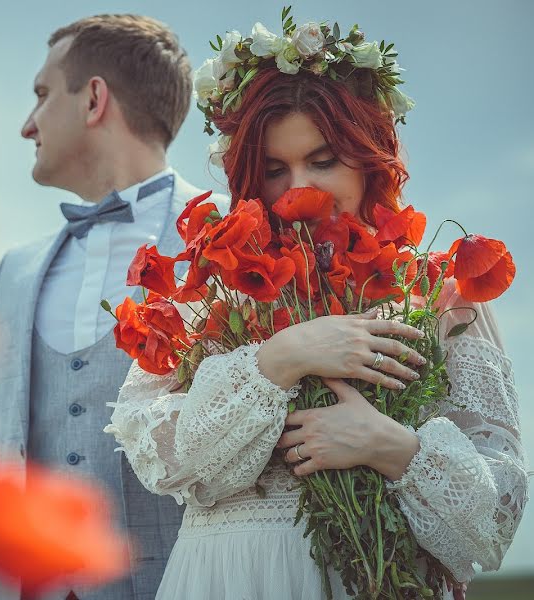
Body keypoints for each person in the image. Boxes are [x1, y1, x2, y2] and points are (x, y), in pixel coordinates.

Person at [105, 15, 528, 600]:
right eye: (275, 170)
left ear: (369, 157)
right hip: (231, 579)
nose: (298, 188)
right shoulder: (215, 293)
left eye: (323, 161)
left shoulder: (435, 295)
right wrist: (277, 360)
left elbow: (492, 519)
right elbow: (163, 460)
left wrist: (389, 447)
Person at [0, 14, 228, 600]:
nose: (28, 125)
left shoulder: (230, 238)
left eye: (42, 94)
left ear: (94, 99)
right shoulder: (14, 273)